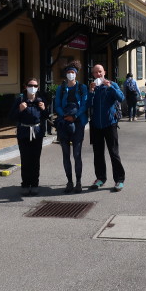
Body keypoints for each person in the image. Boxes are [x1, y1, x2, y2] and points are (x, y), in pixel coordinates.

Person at [87, 64, 126, 192]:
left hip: (110, 124)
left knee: (114, 153)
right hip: (96, 125)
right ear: (93, 74)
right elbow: (88, 105)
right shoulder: (93, 87)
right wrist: (91, 92)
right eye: (95, 72)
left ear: (104, 72)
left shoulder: (112, 84)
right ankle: (100, 178)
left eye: (100, 72)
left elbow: (121, 97)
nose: (98, 74)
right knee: (98, 154)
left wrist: (110, 87)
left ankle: (119, 180)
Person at [9, 77, 48, 196]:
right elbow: (11, 117)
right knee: (25, 159)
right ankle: (25, 184)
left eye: (36, 86)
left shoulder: (41, 100)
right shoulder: (20, 100)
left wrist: (44, 109)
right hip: (24, 132)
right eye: (31, 85)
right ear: (25, 86)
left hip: (37, 132)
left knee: (35, 159)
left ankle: (35, 184)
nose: (33, 88)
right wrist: (19, 110)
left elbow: (46, 116)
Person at [54, 62, 88, 194]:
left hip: (78, 123)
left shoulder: (82, 87)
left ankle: (78, 182)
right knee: (65, 154)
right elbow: (56, 105)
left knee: (77, 154)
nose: (70, 74)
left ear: (76, 74)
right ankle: (69, 181)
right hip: (64, 123)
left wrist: (75, 116)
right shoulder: (61, 88)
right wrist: (64, 116)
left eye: (73, 72)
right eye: (68, 72)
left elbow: (85, 105)